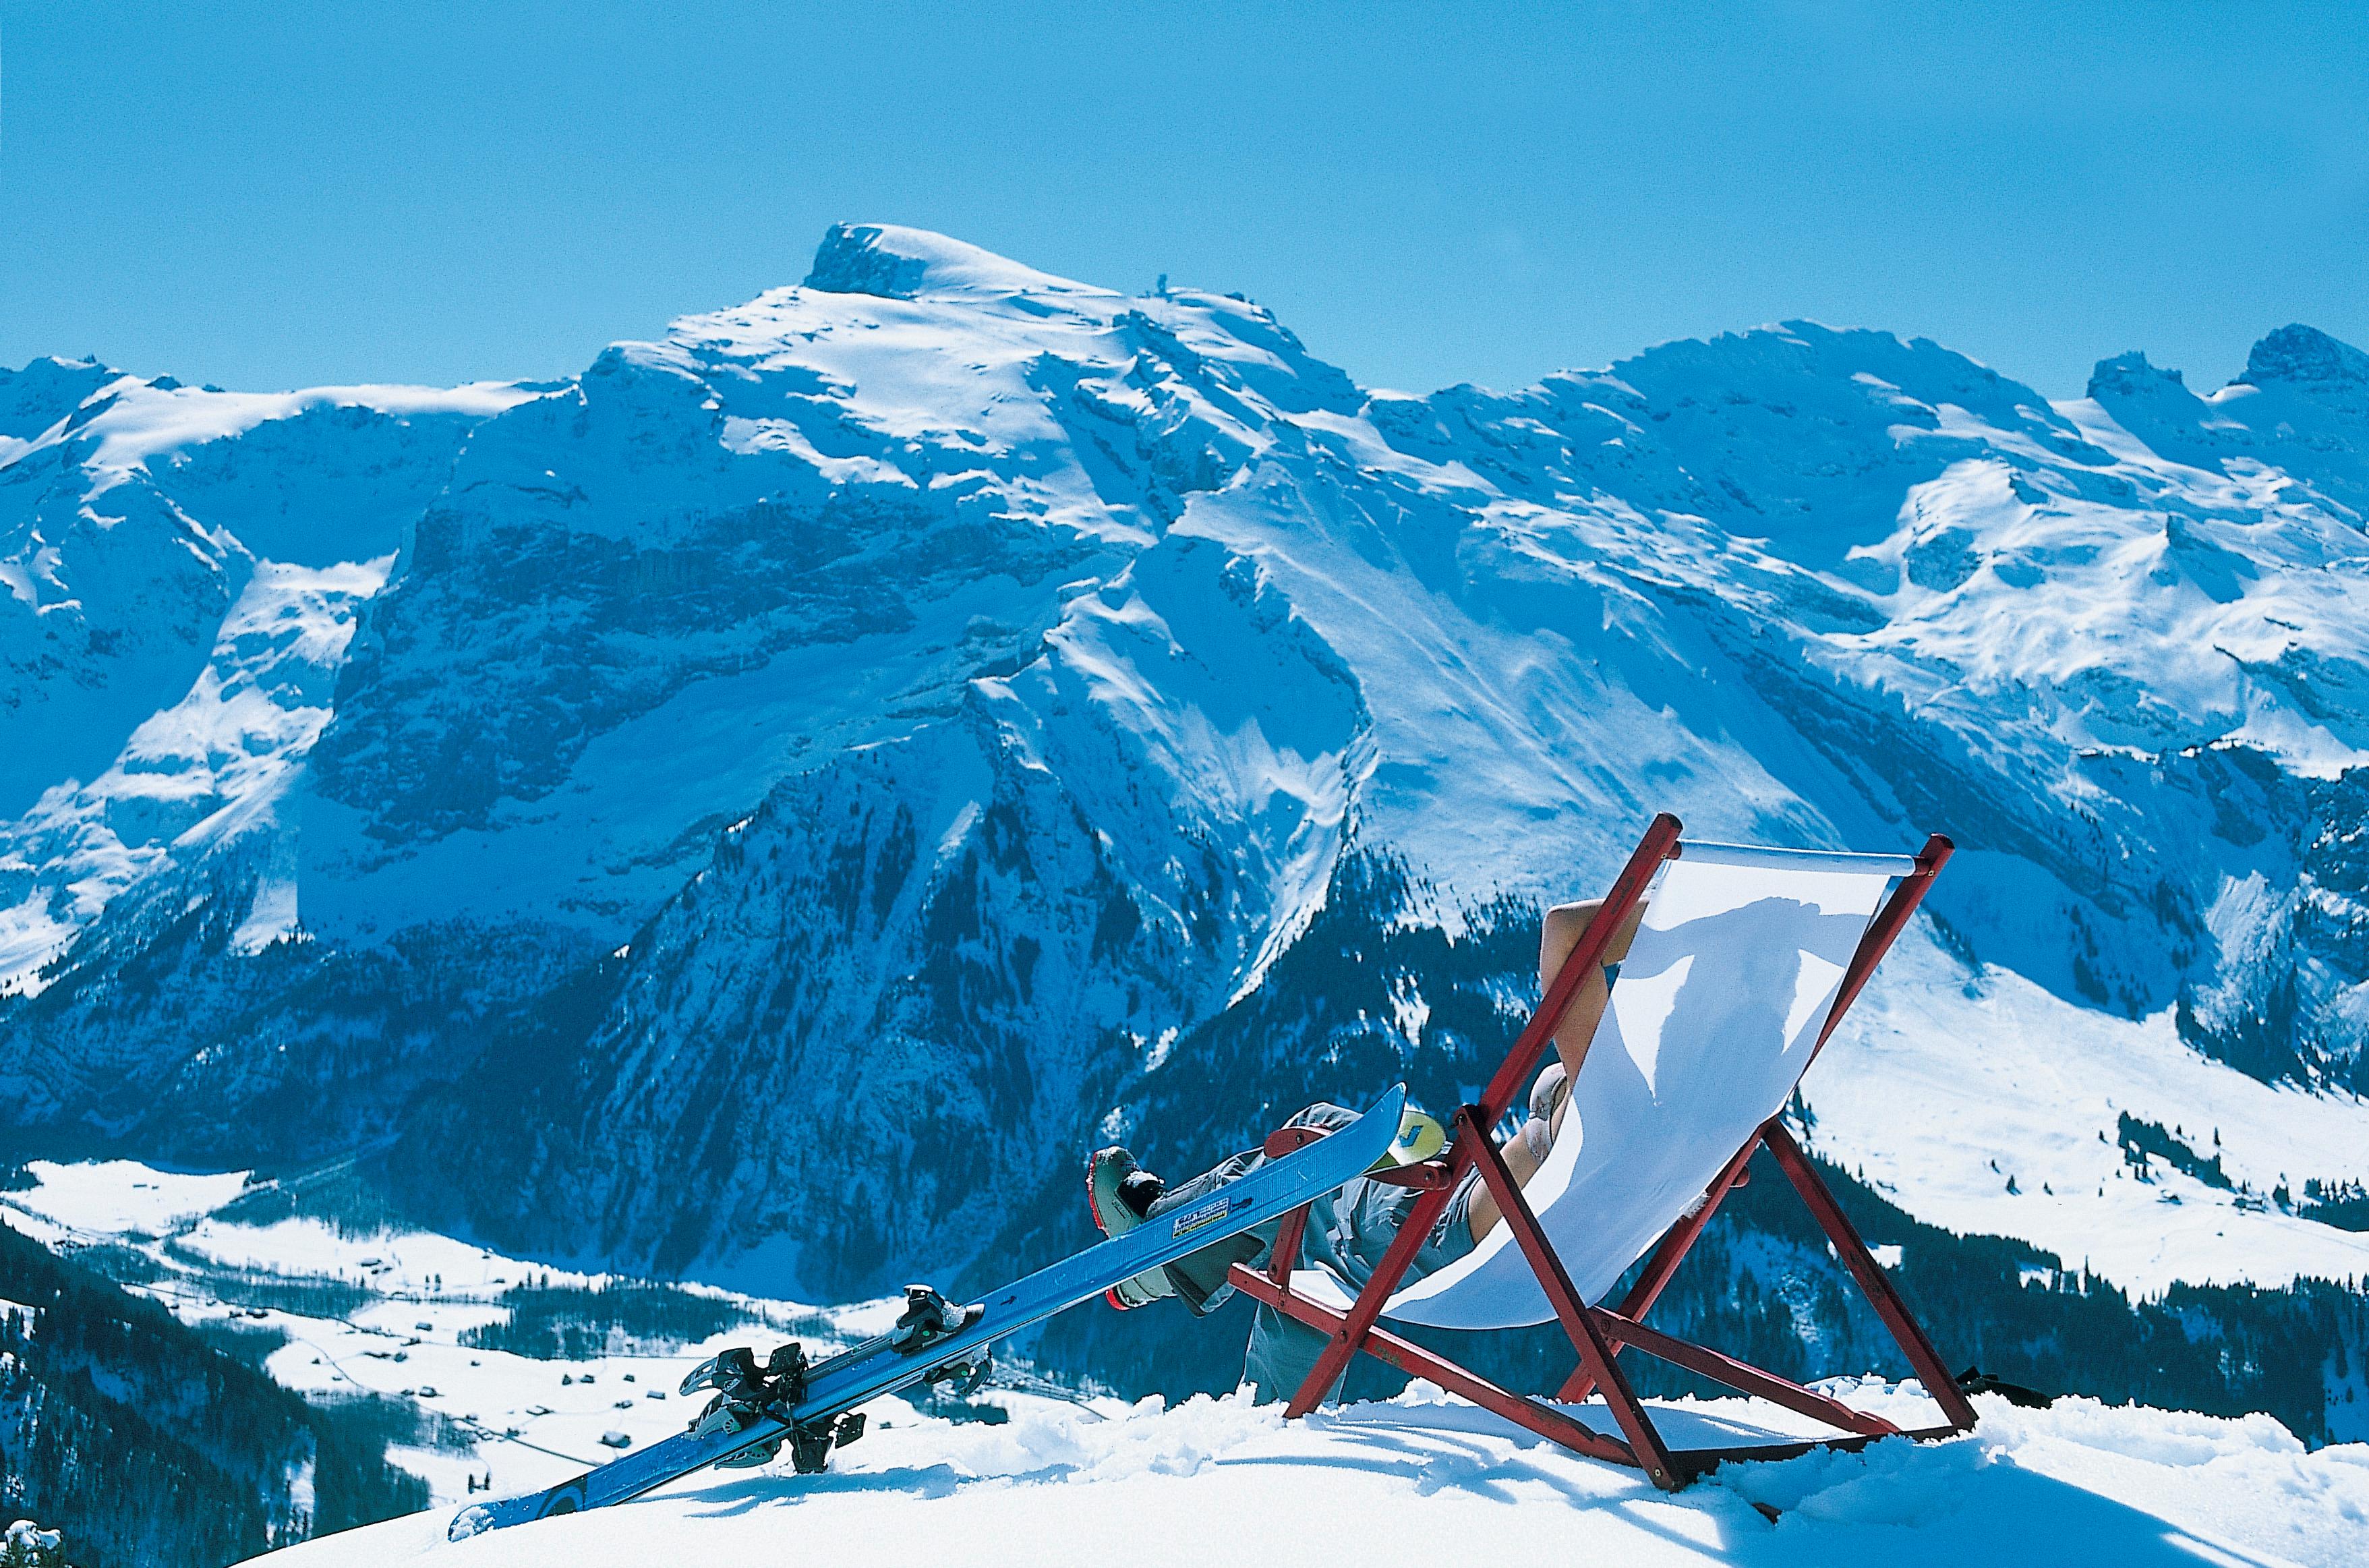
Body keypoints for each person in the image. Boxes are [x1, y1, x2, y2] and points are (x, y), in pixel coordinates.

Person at [1084, 893, 1645, 1402]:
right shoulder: (1696, 1122)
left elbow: (1566, 929)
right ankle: (1175, 1265)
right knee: (1320, 1128)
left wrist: (1688, 911)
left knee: (1300, 1171)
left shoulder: (1627, 1090)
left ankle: (1157, 1251)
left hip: (1447, 1231)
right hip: (1540, 1238)